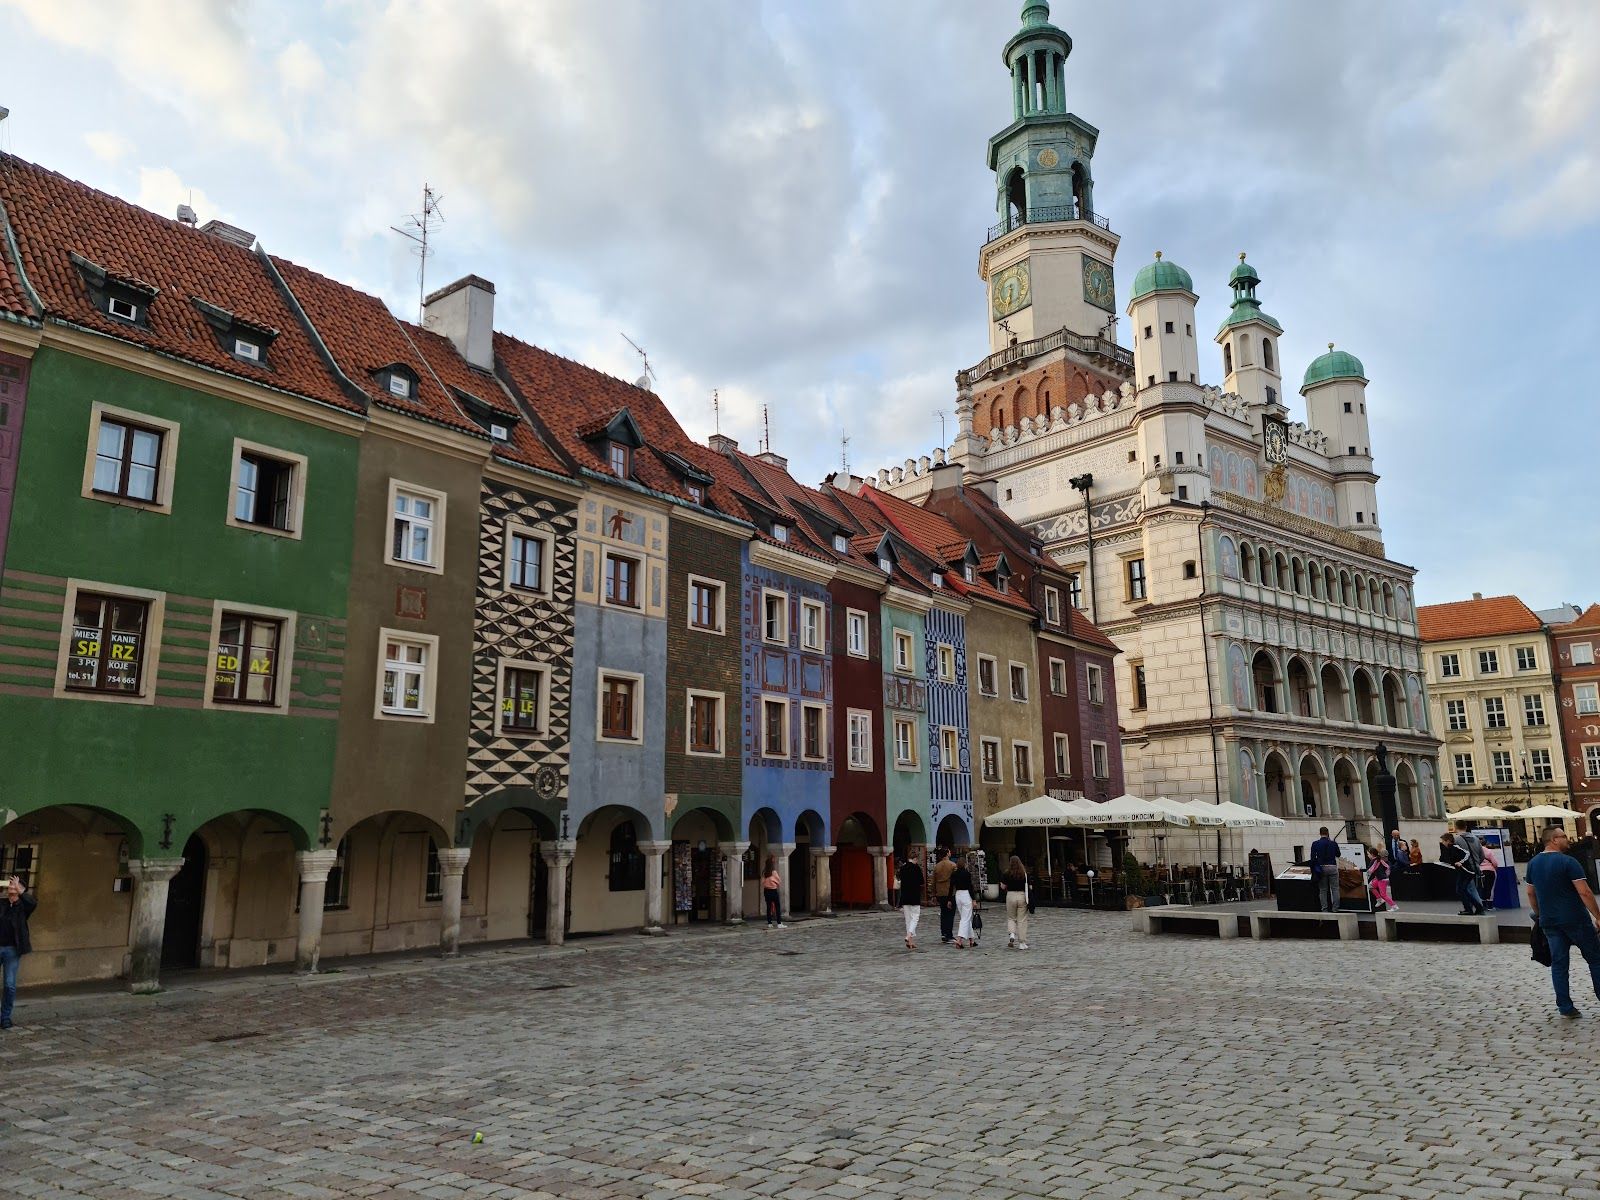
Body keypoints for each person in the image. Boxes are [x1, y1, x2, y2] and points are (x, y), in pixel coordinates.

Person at [1526, 825, 1600, 1018]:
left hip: (1550, 922)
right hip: (1576, 919)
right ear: (1554, 840)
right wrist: (1598, 916)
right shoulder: (1568, 862)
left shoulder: (1533, 863)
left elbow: (1530, 893)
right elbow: (1584, 892)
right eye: (1564, 836)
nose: (1567, 839)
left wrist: (1540, 915)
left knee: (1559, 965)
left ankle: (1565, 1007)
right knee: (1595, 959)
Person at [0, 875, 36, 1030]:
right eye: (10, 885)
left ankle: (5, 1017)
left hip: (12, 950)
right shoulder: (1, 904)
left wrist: (20, 889)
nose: (11, 887)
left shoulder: (24, 907)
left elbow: (32, 903)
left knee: (9, 984)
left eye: (14, 886)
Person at [1440, 833, 1485, 915]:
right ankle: (1476, 908)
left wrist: (1460, 862)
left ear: (1448, 841)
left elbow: (1467, 854)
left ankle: (1471, 908)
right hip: (1462, 871)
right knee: (1462, 890)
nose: (1442, 843)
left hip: (1466, 871)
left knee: (1461, 890)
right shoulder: (1449, 849)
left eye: (1443, 841)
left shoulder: (1454, 847)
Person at [1455, 822, 1491, 909]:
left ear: (1455, 827)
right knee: (1473, 888)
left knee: (1469, 889)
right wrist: (1477, 863)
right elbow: (1482, 855)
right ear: (1466, 827)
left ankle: (1479, 907)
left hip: (1466, 868)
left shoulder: (1457, 840)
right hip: (1476, 867)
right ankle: (1475, 907)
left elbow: (1456, 855)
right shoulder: (1475, 838)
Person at [998, 854, 1031, 950]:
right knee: (1022, 920)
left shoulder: (1007, 873)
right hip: (1021, 896)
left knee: (1011, 918)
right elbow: (1029, 887)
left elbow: (1003, 887)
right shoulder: (1024, 874)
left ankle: (1012, 934)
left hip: (1010, 896)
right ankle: (1022, 942)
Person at [1309, 826, 1341, 913]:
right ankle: (1335, 908)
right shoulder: (1333, 843)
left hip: (1321, 868)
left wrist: (1312, 869)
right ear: (1327, 833)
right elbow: (1338, 854)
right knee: (1335, 888)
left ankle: (1324, 909)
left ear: (1320, 833)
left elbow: (1312, 858)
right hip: (1333, 867)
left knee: (1323, 889)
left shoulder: (1315, 843)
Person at [898, 856, 924, 950]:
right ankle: (908, 935)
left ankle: (910, 942)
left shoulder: (903, 868)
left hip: (905, 897)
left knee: (908, 920)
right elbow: (922, 881)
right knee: (915, 917)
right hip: (914, 896)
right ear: (915, 859)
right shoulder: (916, 868)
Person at [950, 855, 976, 949]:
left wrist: (949, 899)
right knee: (965, 919)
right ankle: (959, 939)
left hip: (958, 895)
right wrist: (973, 899)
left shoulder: (954, 874)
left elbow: (950, 887)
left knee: (966, 917)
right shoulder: (967, 874)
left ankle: (971, 939)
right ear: (965, 864)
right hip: (966, 895)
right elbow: (970, 887)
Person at [932, 846, 956, 944]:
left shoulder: (937, 866)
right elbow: (955, 880)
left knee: (943, 913)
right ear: (947, 853)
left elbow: (933, 881)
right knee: (950, 914)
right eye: (949, 852)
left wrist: (934, 893)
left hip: (940, 892)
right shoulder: (952, 865)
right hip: (950, 892)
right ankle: (949, 934)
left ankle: (943, 933)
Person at [1366, 846, 1396, 912]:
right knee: (1370, 886)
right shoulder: (1378, 859)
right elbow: (1387, 867)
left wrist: (1359, 870)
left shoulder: (1375, 860)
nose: (1367, 855)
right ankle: (1379, 899)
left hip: (1382, 879)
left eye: (1368, 854)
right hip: (1380, 878)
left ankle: (1394, 906)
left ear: (1372, 854)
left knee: (1383, 894)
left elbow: (1369, 869)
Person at [761, 855, 786, 930]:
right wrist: (774, 883)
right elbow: (779, 881)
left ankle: (769, 923)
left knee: (768, 907)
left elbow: (762, 882)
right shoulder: (774, 872)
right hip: (773, 890)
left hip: (766, 890)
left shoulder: (764, 872)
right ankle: (779, 923)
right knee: (777, 906)